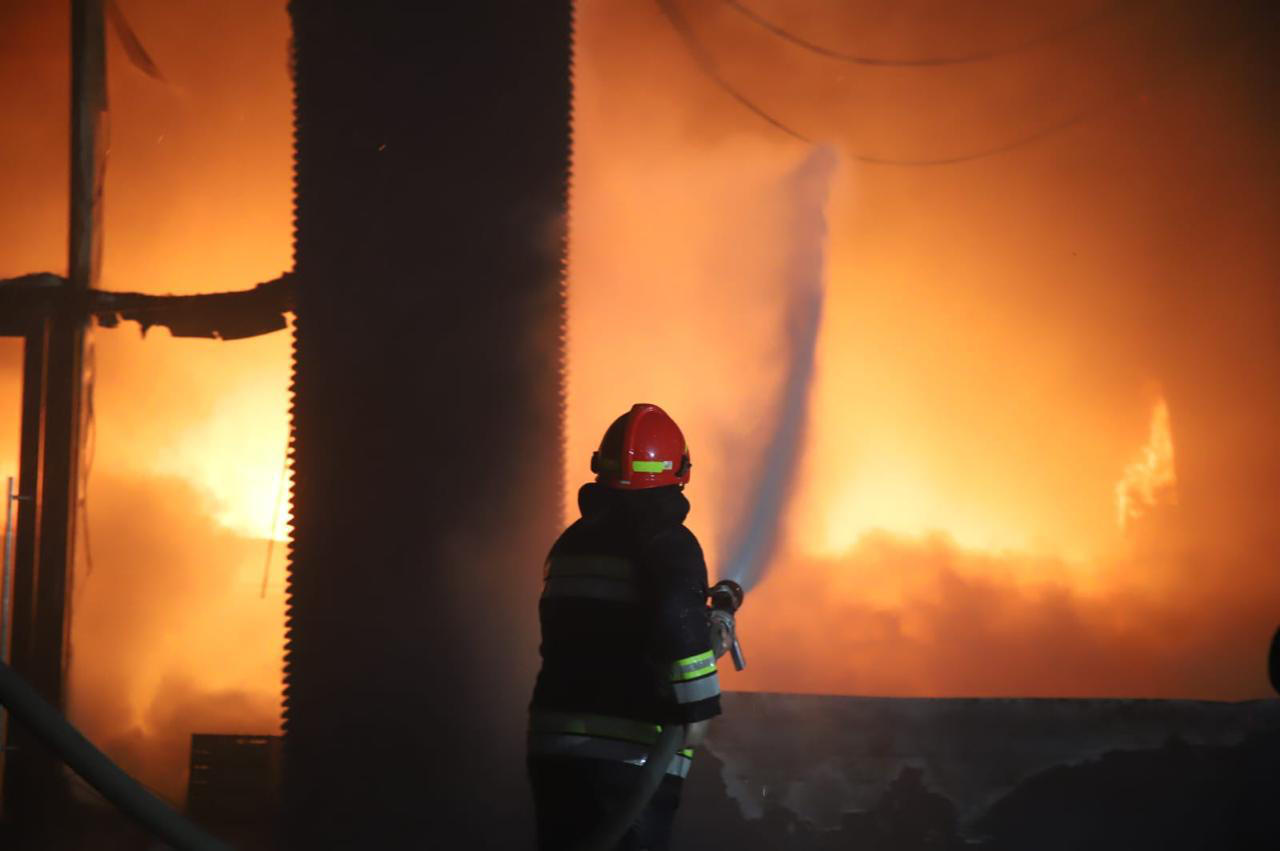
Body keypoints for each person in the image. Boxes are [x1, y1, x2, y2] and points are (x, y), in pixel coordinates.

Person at [527, 403, 722, 850]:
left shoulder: (571, 542)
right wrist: (699, 704)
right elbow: (676, 618)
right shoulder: (669, 542)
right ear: (679, 470)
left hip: (553, 746)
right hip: (631, 754)